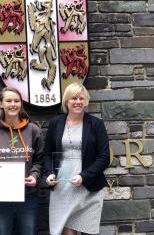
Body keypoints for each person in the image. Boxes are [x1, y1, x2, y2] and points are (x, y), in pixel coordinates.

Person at [44, 82, 110, 235]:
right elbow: (47, 154)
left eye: (82, 98)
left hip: (89, 188)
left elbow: (104, 157)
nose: (78, 102)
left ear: (86, 101)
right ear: (67, 101)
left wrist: (84, 176)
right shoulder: (55, 123)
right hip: (63, 188)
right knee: (67, 232)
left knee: (89, 232)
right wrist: (49, 173)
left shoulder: (96, 124)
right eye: (74, 98)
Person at [0, 87, 43, 235]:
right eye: (8, 101)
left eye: (16, 101)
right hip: (0, 199)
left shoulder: (33, 130)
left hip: (28, 197)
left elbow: (39, 161)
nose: (13, 104)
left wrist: (34, 176)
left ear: (21, 104)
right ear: (1, 104)